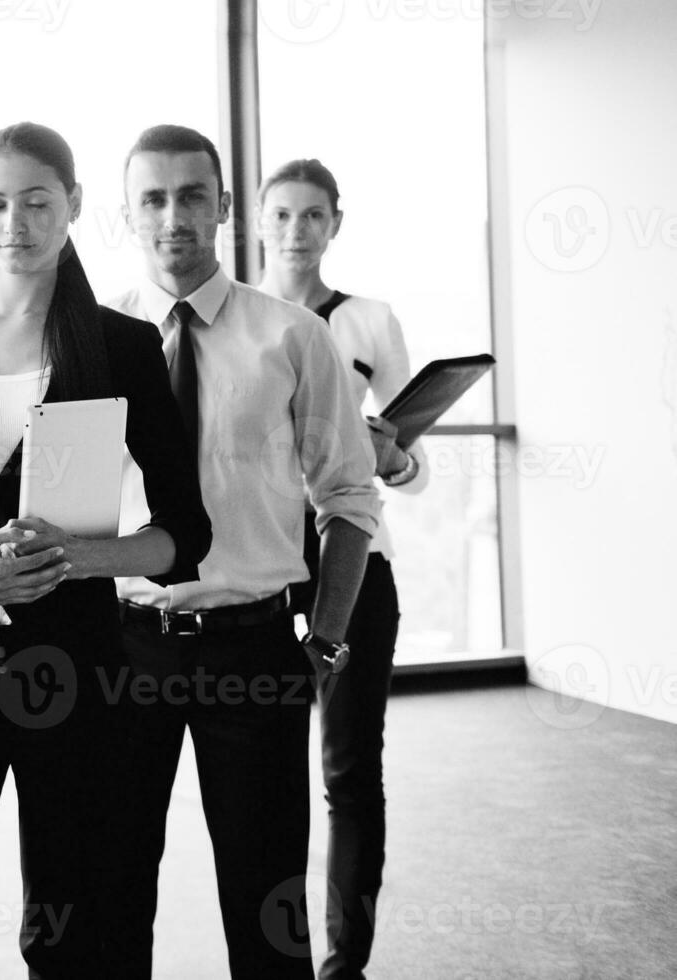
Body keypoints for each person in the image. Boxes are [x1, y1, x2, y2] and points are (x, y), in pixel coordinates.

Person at [0, 122, 210, 977]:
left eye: (35, 201)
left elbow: (184, 533)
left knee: (71, 929)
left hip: (74, 670)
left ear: (72, 207)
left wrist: (81, 559)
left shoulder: (123, 348)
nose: (14, 221)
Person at [108, 124, 381, 978]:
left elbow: (349, 498)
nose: (173, 216)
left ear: (225, 207)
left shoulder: (293, 335)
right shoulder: (92, 336)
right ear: (126, 214)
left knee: (266, 909)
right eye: (152, 198)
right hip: (121, 646)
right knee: (110, 898)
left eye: (192, 195)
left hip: (252, 645)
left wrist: (326, 641)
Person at [257, 157, 425, 980]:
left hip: (355, 566)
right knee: (262, 776)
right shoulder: (232, 319)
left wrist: (392, 456)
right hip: (262, 566)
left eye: (311, 216)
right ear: (255, 220)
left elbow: (409, 461)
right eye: (281, 215)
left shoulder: (368, 321)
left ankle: (342, 964)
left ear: (333, 223)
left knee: (349, 769)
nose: (295, 231)